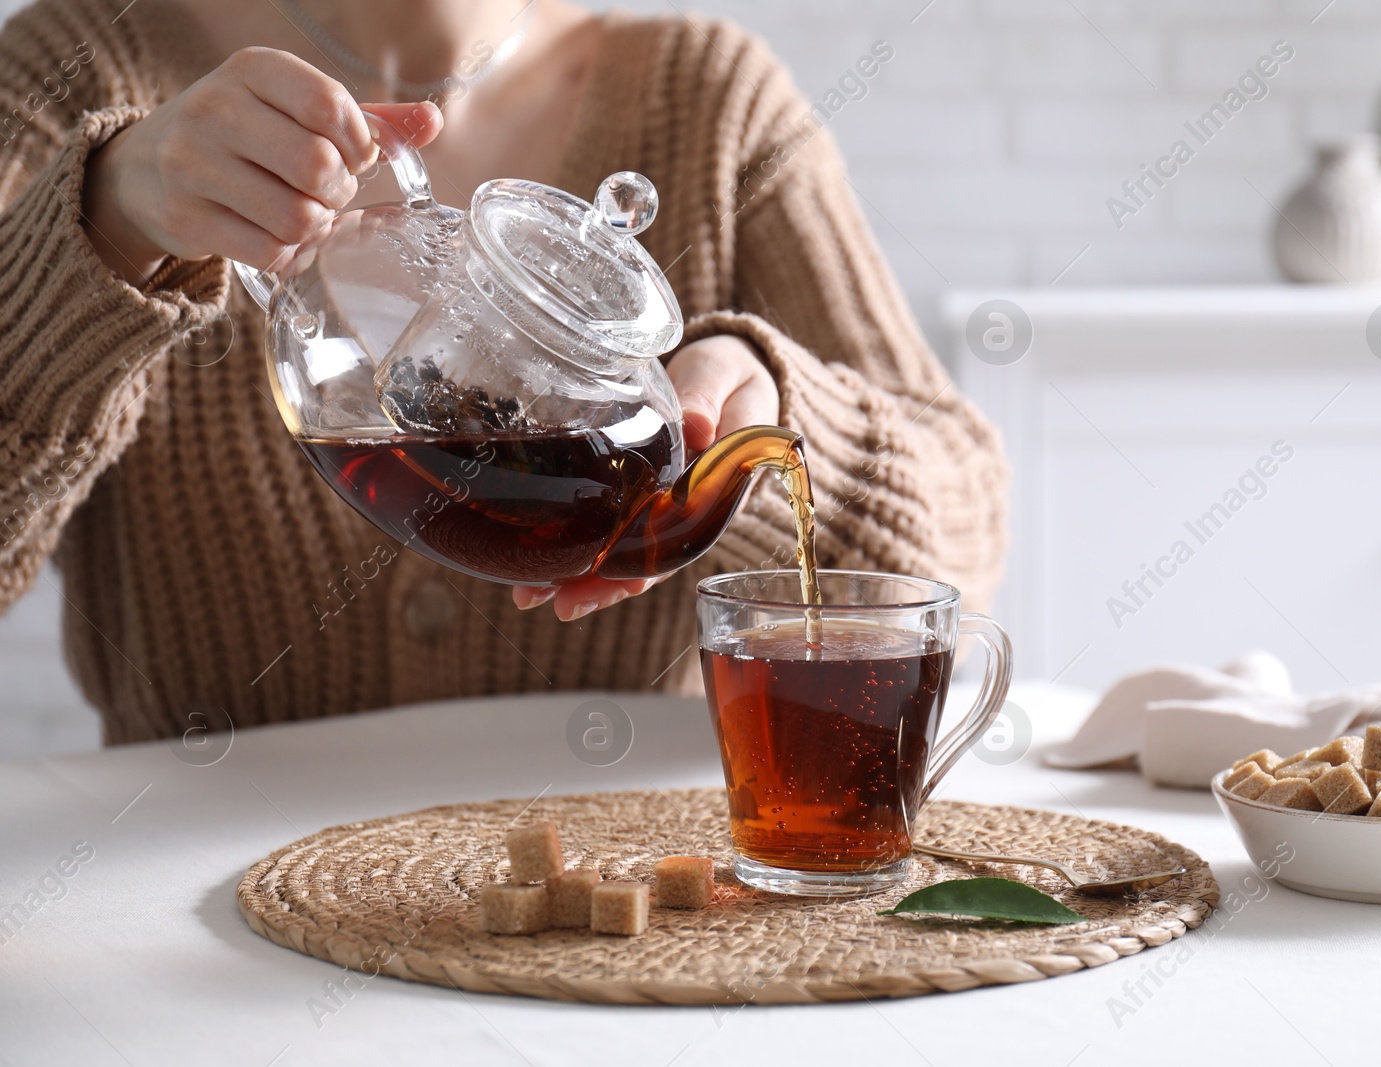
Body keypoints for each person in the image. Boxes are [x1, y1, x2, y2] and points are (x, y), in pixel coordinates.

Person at [0, 0, 1008, 744]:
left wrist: (760, 405)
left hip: (626, 931)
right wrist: (104, 223)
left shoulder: (710, 99)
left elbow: (958, 566)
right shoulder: (78, 69)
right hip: (199, 936)